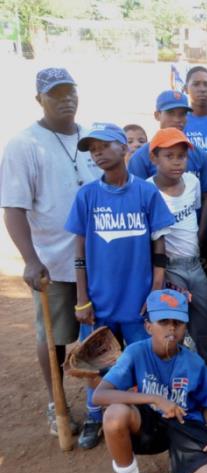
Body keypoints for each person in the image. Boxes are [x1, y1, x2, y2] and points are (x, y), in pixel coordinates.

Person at [1, 67, 101, 436]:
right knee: (55, 338)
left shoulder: (93, 138)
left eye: (70, 91)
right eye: (56, 93)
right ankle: (54, 401)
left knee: (102, 337)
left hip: (99, 264)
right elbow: (13, 207)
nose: (66, 99)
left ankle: (103, 403)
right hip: (54, 263)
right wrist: (30, 258)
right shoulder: (24, 144)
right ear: (39, 99)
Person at [67, 122, 175, 449]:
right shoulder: (87, 195)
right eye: (91, 148)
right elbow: (80, 249)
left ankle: (146, 414)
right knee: (94, 361)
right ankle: (94, 414)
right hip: (100, 300)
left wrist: (156, 286)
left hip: (138, 299)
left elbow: (159, 244)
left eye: (104, 145)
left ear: (124, 148)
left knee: (143, 358)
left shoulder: (145, 191)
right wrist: (82, 298)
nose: (97, 152)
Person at [92, 289, 207, 473]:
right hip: (149, 423)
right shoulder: (135, 352)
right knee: (115, 415)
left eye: (178, 322)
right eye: (163, 321)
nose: (171, 328)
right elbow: (100, 395)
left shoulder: (194, 363)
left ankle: (178, 460)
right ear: (148, 326)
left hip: (185, 425)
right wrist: (154, 399)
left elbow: (206, 405)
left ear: (185, 326)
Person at [147, 128, 207, 364]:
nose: (177, 162)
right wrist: (159, 278)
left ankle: (206, 369)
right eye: (170, 156)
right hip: (169, 268)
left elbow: (194, 215)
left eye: (182, 156)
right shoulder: (148, 190)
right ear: (154, 158)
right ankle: (177, 371)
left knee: (205, 318)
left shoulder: (192, 181)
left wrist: (199, 242)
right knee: (174, 323)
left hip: (194, 263)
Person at [128, 90, 207, 198]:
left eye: (182, 114)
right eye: (170, 113)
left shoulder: (199, 154)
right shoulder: (140, 158)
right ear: (157, 115)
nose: (177, 119)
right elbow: (136, 198)